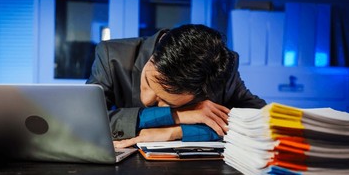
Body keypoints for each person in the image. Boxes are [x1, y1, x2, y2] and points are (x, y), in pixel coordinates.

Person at [86, 24, 266, 148]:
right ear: (152, 57)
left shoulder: (218, 72)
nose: (146, 100)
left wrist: (176, 132)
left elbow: (264, 123)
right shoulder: (111, 56)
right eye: (148, 82)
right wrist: (178, 114)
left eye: (167, 102)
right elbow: (85, 121)